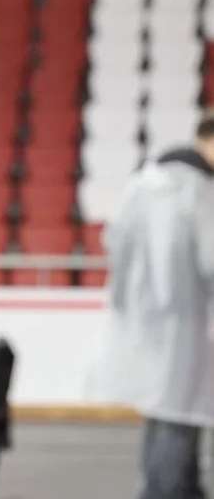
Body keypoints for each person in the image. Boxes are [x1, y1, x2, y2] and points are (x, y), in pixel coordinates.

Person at [103, 109, 214, 499]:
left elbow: (115, 243)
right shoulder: (197, 188)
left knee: (163, 413)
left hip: (149, 323)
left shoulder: (147, 181)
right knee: (181, 418)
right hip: (189, 323)